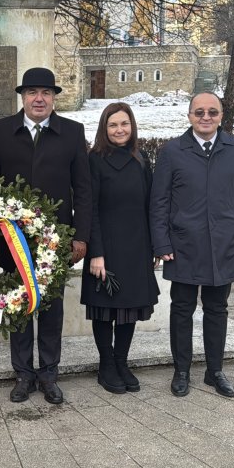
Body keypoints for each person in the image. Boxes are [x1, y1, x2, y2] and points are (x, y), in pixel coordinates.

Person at [0, 67, 92, 405]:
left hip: (56, 240)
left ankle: (49, 373)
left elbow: (83, 189)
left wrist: (81, 235)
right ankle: (24, 374)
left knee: (51, 308)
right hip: (12, 240)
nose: (38, 98)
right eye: (31, 92)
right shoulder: (0, 131)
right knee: (18, 306)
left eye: (45, 92)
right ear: (22, 97)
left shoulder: (71, 132)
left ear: (54, 97)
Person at [149, 91, 234, 398]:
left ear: (221, 116)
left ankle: (215, 371)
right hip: (183, 247)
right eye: (199, 112)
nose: (206, 117)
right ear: (189, 116)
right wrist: (160, 244)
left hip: (224, 245)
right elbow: (159, 203)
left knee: (217, 309)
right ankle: (181, 371)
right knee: (181, 310)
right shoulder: (173, 151)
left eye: (212, 112)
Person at [82, 102, 160, 394]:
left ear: (132, 126)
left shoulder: (141, 160)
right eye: (113, 125)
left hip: (137, 246)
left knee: (129, 308)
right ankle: (106, 365)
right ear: (104, 128)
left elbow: (151, 204)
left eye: (124, 124)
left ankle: (121, 361)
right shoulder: (95, 160)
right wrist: (96, 253)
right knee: (105, 309)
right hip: (106, 248)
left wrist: (154, 245)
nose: (119, 130)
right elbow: (90, 209)